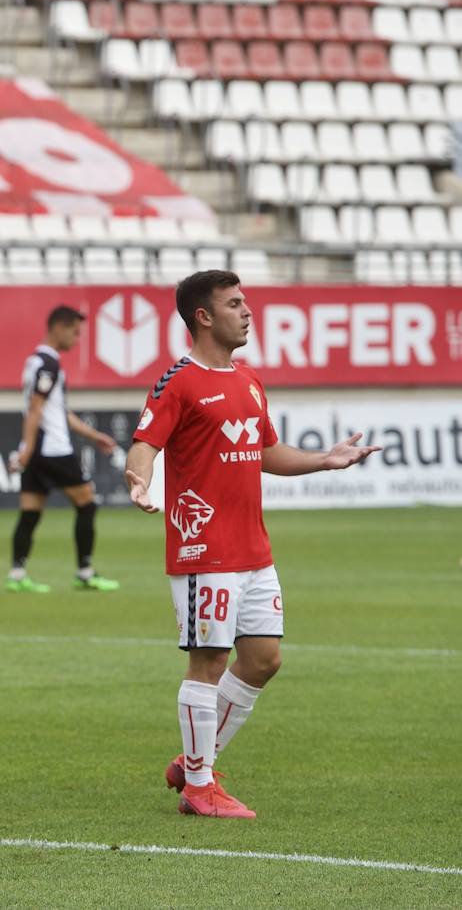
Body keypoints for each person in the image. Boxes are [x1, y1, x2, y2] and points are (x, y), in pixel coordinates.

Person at [124, 270, 379, 818]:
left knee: (263, 660)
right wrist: (139, 480)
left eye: (246, 302)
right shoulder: (179, 380)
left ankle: (196, 759)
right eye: (235, 303)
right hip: (203, 548)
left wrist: (323, 460)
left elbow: (265, 451)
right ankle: (198, 786)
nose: (248, 311)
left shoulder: (248, 379)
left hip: (253, 550)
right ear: (204, 316)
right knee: (209, 661)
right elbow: (145, 442)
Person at [6, 305, 121, 593]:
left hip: (37, 450)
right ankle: (85, 571)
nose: (76, 338)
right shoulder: (49, 364)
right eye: (75, 331)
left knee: (30, 511)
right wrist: (27, 447)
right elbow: (36, 409)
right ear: (59, 327)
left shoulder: (34, 362)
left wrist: (94, 436)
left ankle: (17, 574)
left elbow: (56, 411)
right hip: (52, 449)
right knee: (88, 504)